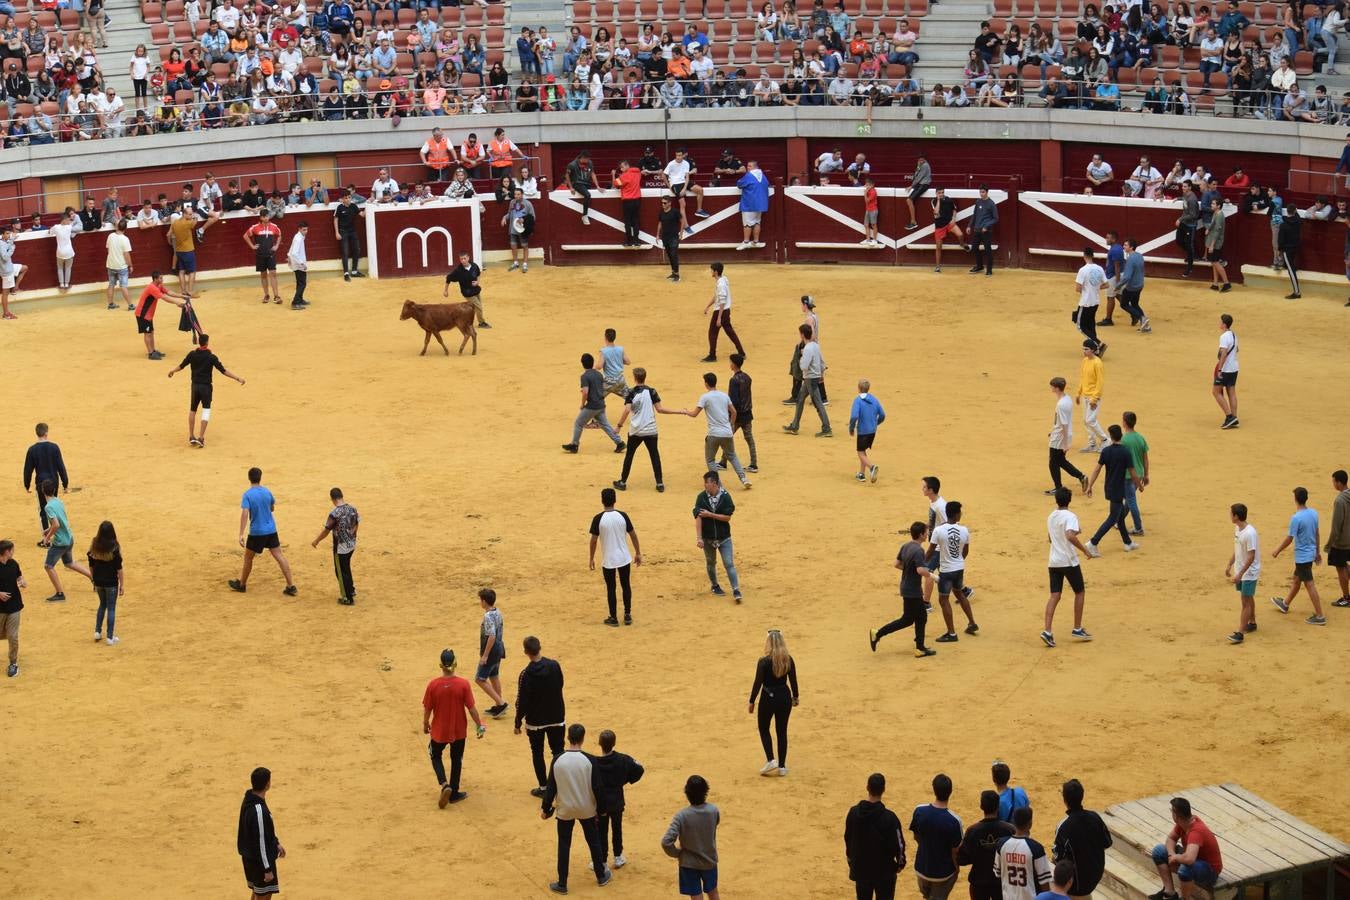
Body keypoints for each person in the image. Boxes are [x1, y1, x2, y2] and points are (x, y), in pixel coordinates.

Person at [542, 723, 613, 893]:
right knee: (594, 842)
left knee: (564, 845)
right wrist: (602, 809)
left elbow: (551, 787)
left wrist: (545, 809)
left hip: (565, 809)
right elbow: (598, 788)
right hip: (586, 808)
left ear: (568, 738)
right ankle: (601, 876)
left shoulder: (558, 759)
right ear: (583, 739)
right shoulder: (590, 760)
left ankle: (562, 883)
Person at [422, 648, 487, 808]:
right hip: (459, 731)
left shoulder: (433, 685)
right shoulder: (463, 684)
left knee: (435, 755)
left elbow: (428, 708)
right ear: (455, 663)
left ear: (441, 665)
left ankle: (445, 784)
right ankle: (455, 792)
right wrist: (480, 726)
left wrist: (425, 724)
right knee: (456, 759)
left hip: (439, 731)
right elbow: (471, 709)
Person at [870, 522, 937, 658]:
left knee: (914, 618)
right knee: (915, 618)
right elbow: (920, 570)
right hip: (913, 589)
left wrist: (909, 570)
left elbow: (896, 564)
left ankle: (919, 646)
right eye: (926, 532)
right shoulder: (918, 550)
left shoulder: (906, 546)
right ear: (921, 535)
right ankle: (879, 633)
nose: (927, 534)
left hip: (906, 586)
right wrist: (933, 576)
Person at [167, 333, 245, 448]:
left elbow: (182, 365)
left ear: (199, 342)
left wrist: (173, 371)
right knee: (206, 410)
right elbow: (223, 371)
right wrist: (237, 378)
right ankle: (201, 437)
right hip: (206, 388)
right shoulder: (211, 357)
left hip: (195, 386)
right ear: (207, 343)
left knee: (193, 410)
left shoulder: (192, 354)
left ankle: (191, 435)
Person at [228, 467, 297, 596]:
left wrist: (241, 533)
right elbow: (272, 508)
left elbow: (244, 513)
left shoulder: (247, 495)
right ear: (260, 478)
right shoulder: (267, 492)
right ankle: (290, 585)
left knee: (248, 558)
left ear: (249, 478)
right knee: (279, 556)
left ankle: (242, 584)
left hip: (256, 532)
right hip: (271, 530)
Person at [1042, 486, 1094, 649]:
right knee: (1080, 592)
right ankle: (1077, 628)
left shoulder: (1051, 516)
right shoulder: (1071, 516)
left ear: (1056, 500)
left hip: (1054, 561)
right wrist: (1085, 549)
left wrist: (1073, 533)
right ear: (1069, 500)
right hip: (1069, 561)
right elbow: (1070, 535)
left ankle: (1047, 631)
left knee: (1054, 596)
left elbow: (1052, 538)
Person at [514, 635, 566, 798]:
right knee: (558, 751)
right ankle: (560, 785)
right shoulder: (554, 666)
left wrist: (517, 722)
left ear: (525, 652)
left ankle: (544, 787)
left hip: (535, 721)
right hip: (556, 716)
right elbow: (560, 684)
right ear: (540, 648)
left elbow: (522, 702)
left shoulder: (526, 674)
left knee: (537, 752)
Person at [614, 367, 681, 492]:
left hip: (636, 430)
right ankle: (659, 483)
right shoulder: (652, 391)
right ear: (645, 377)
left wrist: (618, 426)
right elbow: (660, 409)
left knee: (629, 456)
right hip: (651, 429)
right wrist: (679, 411)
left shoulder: (631, 392)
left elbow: (627, 410)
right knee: (654, 455)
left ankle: (622, 482)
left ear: (635, 378)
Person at [846, 773, 907, 900]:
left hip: (861, 868)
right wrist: (900, 864)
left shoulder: (853, 813)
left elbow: (848, 838)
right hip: (884, 871)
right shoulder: (890, 818)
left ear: (867, 787)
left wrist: (851, 859)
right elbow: (899, 844)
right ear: (883, 790)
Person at [1271, 486, 1327, 624]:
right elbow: (1317, 533)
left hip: (1302, 557)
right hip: (1310, 553)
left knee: (1309, 584)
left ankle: (1320, 616)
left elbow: (1290, 539)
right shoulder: (1313, 513)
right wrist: (1317, 552)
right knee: (1297, 579)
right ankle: (1285, 603)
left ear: (1295, 499)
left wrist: (1277, 550)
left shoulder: (1296, 518)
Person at [1084, 425, 1143, 555]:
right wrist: (1139, 485)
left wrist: (1090, 486)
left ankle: (1128, 543)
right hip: (1118, 490)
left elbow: (1097, 469)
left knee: (1120, 516)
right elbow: (1133, 473)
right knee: (1113, 518)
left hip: (1109, 488)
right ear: (1120, 435)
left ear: (1111, 437)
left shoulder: (1106, 451)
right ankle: (1092, 543)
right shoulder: (1125, 452)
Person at [1148, 797, 1224, 900]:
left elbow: (1189, 859)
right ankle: (1169, 892)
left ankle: (1185, 898)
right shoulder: (1183, 823)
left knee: (1185, 868)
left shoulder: (1196, 831)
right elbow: (1171, 838)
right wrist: (1171, 854)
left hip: (1210, 870)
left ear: (1176, 815)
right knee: (1159, 850)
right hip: (1195, 859)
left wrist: (1176, 857)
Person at [592, 729, 645, 872]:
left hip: (601, 804)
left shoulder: (594, 763)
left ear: (599, 744)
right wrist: (626, 780)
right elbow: (640, 769)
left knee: (601, 831)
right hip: (617, 801)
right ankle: (618, 856)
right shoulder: (623, 759)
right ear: (614, 743)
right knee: (617, 829)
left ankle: (601, 860)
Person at [748, 629, 798, 777]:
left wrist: (752, 701)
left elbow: (757, 683)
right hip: (784, 696)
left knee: (764, 728)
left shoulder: (764, 662)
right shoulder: (788, 659)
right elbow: (794, 680)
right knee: (782, 731)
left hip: (768, 697)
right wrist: (795, 697)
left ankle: (771, 759)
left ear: (768, 643)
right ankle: (782, 766)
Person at [662, 775, 721, 900]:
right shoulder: (713, 811)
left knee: (696, 896)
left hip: (689, 864)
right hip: (709, 860)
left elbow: (666, 842)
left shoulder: (681, 816)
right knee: (713, 892)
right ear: (706, 792)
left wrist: (678, 853)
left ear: (687, 793)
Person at [589, 488, 641, 626]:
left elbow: (593, 540)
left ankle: (613, 617)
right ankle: (627, 614)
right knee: (626, 585)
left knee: (611, 588)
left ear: (602, 501)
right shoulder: (623, 515)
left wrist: (591, 558)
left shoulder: (598, 519)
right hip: (624, 557)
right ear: (615, 500)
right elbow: (633, 535)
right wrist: (638, 552)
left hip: (609, 559)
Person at [1052, 779, 1113, 898]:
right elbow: (1107, 843)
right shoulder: (1095, 817)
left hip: (1076, 886)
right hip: (1095, 877)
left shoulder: (1064, 827)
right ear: (1082, 796)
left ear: (1065, 800)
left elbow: (1058, 857)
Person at [690, 372, 751, 488]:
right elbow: (734, 412)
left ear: (706, 384)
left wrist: (685, 412)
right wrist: (731, 425)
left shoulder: (705, 397)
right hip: (727, 432)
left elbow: (694, 414)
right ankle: (743, 478)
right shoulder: (724, 396)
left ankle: (718, 485)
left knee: (710, 460)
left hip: (714, 434)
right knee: (732, 456)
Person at [930, 500, 978, 643]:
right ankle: (972, 623)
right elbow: (966, 551)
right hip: (959, 568)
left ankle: (951, 633)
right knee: (960, 594)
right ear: (956, 515)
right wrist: (958, 560)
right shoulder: (964, 530)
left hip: (946, 571)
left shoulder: (938, 530)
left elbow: (931, 551)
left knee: (943, 600)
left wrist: (923, 564)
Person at [909, 773, 963, 900]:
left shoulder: (919, 811)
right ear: (950, 792)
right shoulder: (954, 820)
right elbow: (955, 851)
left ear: (934, 789)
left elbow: (916, 836)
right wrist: (956, 869)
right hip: (943, 874)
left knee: (926, 896)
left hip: (922, 869)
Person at [39, 480, 92, 603]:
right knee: (69, 562)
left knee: (48, 566)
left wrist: (47, 538)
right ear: (54, 490)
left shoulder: (48, 507)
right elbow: (60, 521)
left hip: (60, 542)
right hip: (69, 538)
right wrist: (48, 530)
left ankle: (60, 593)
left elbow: (56, 524)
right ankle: (93, 578)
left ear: (43, 491)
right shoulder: (58, 501)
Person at [562, 353, 626, 454]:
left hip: (592, 406)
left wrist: (583, 404)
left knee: (578, 423)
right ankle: (619, 442)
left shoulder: (584, 376)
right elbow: (598, 388)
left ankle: (574, 445)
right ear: (592, 363)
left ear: (582, 364)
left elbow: (585, 392)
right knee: (605, 424)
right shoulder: (599, 374)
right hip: (601, 404)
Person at [238, 767, 286, 898]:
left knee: (257, 893)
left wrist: (275, 843)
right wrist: (267, 869)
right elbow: (261, 842)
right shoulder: (258, 809)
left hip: (251, 858)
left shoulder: (249, 799)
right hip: (259, 862)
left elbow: (262, 832)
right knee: (264, 896)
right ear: (267, 784)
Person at [695, 470, 742, 602]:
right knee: (711, 563)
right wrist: (699, 538)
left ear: (714, 483)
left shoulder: (726, 497)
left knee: (729, 563)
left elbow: (727, 518)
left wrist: (711, 515)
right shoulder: (701, 497)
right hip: (707, 538)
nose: (704, 486)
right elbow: (698, 517)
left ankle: (736, 589)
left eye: (706, 483)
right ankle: (715, 585)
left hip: (724, 537)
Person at [959, 790, 1015, 900]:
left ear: (981, 806)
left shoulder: (972, 831)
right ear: (998, 806)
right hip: (1001, 882)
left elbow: (962, 859)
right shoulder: (1009, 830)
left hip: (979, 881)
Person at [311, 487, 359, 605]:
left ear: (332, 499)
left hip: (341, 548)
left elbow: (326, 531)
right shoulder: (352, 508)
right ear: (342, 496)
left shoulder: (334, 514)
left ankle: (347, 598)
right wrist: (351, 535)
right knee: (346, 567)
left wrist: (316, 541)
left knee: (341, 572)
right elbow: (357, 523)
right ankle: (351, 590)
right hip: (351, 544)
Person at [784, 323, 831, 437]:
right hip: (812, 378)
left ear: (803, 335)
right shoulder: (815, 345)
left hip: (810, 378)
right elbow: (822, 362)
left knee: (818, 403)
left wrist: (802, 356)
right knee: (800, 399)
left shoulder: (807, 349)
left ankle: (826, 428)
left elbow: (803, 366)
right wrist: (821, 374)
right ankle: (795, 426)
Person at [995, 806, 1052, 900]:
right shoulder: (1036, 848)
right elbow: (1044, 884)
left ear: (1013, 823)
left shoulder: (1001, 844)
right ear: (1030, 824)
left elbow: (998, 874)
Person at [23, 423, 69, 539]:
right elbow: (61, 467)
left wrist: (27, 484)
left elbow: (28, 470)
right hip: (53, 482)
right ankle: (55, 534)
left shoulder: (32, 450)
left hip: (41, 483)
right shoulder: (54, 447)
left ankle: (46, 538)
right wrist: (65, 483)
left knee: (43, 511)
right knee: (52, 506)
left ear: (36, 433)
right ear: (46, 433)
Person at [1046, 377, 1089, 495]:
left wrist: (1065, 443)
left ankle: (1058, 487)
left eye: (1052, 387)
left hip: (1060, 437)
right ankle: (1081, 477)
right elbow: (1061, 422)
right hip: (1061, 433)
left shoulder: (1061, 404)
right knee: (1060, 461)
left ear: (1057, 388)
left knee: (1053, 462)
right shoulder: (1067, 399)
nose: (1051, 388)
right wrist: (1053, 431)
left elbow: (1064, 424)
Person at [134, 271, 190, 361]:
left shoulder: (159, 286)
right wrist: (177, 303)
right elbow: (164, 297)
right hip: (142, 314)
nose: (162, 279)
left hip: (148, 314)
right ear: (155, 279)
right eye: (160, 278)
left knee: (151, 332)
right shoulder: (152, 288)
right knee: (147, 333)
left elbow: (169, 292)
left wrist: (181, 296)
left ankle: (153, 350)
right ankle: (150, 353)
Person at [1225, 503, 1261, 643]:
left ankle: (1240, 633)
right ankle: (1252, 622)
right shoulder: (1238, 529)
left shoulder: (1250, 533)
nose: (1230, 516)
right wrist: (1230, 564)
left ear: (1236, 516)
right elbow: (1237, 548)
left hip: (1249, 572)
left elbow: (1251, 556)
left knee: (1245, 601)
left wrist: (1240, 574)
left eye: (1231, 514)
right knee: (1247, 597)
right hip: (1241, 570)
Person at [86, 520, 124, 646]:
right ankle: (109, 637)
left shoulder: (94, 544)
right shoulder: (114, 547)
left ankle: (97, 631)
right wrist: (122, 585)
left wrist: (93, 579)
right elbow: (119, 568)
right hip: (111, 582)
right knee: (111, 608)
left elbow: (91, 564)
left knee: (102, 605)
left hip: (98, 581)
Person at [720, 354, 759, 474]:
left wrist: (729, 416)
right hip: (747, 414)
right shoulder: (747, 377)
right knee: (749, 439)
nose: (729, 364)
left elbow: (734, 401)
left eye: (730, 362)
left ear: (734, 364)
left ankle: (723, 462)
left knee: (727, 437)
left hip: (737, 416)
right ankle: (754, 464)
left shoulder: (733, 380)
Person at [474, 587, 510, 716]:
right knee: (494, 676)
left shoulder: (488, 616)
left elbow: (492, 636)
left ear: (484, 601)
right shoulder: (497, 612)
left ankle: (501, 703)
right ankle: (499, 706)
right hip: (499, 649)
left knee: (479, 679)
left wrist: (485, 655)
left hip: (492, 651)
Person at [702, 262, 746, 363]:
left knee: (712, 333)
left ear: (716, 272)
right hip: (726, 310)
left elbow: (722, 300)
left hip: (720, 311)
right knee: (730, 332)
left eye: (712, 270)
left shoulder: (721, 283)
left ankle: (712, 355)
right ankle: (741, 352)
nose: (711, 272)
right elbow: (717, 296)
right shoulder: (723, 279)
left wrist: (719, 318)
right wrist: (708, 306)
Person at [0, 540, 28, 677]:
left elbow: (19, 576)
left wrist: (22, 581)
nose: (13, 552)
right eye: (12, 550)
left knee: (13, 636)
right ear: (6, 552)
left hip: (14, 606)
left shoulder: (13, 564)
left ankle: (13, 663)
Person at [849, 379, 885, 483]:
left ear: (859, 388)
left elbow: (854, 416)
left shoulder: (858, 400)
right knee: (863, 451)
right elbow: (882, 415)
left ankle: (872, 467)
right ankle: (861, 474)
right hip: (872, 431)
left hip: (863, 431)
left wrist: (851, 428)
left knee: (860, 452)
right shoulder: (874, 399)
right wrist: (876, 423)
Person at [443, 251, 491, 329]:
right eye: (461, 259)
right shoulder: (458, 271)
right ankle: (481, 323)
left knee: (476, 307)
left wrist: (477, 282)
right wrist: (445, 290)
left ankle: (466, 320)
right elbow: (448, 278)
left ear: (468, 258)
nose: (463, 261)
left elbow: (478, 274)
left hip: (476, 290)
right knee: (479, 307)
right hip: (468, 293)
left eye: (464, 258)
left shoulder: (474, 266)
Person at [1073, 250, 1107, 357]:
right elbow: (1106, 285)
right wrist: (1095, 288)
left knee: (1080, 326)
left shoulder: (1083, 270)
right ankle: (1095, 349)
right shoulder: (1099, 268)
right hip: (1095, 301)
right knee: (1090, 324)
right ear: (1093, 256)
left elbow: (1078, 288)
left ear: (1084, 256)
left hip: (1085, 302)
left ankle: (1098, 344)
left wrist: (1088, 289)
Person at [244, 210, 283, 305]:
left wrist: (277, 245)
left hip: (270, 253)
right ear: (261, 217)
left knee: (273, 273)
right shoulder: (255, 227)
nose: (266, 218)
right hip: (260, 254)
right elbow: (245, 236)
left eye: (267, 216)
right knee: (263, 275)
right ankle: (266, 295)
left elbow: (279, 235)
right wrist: (252, 246)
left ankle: (276, 296)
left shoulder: (274, 227)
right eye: (264, 216)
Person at [1075, 341, 1107, 454]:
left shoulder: (1098, 363)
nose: (1084, 351)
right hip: (1085, 396)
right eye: (1083, 349)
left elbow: (1100, 382)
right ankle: (1092, 444)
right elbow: (1083, 378)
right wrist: (1079, 393)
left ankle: (1105, 440)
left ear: (1093, 350)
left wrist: (1095, 398)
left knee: (1090, 420)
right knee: (1086, 421)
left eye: (1086, 349)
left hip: (1094, 397)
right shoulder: (1084, 361)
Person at [1212, 314, 1240, 429]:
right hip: (1234, 368)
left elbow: (1223, 353)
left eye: (1220, 322)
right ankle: (1234, 417)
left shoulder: (1224, 337)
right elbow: (1237, 349)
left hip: (1226, 369)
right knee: (1231, 392)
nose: (1219, 323)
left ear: (1224, 324)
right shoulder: (1234, 335)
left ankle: (1229, 417)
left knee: (1216, 392)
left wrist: (1220, 369)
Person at [736, 159, 770, 249]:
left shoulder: (749, 175)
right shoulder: (763, 176)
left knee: (747, 224)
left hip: (749, 203)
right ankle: (756, 241)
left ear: (755, 167)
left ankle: (746, 242)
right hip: (761, 204)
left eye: (749, 166)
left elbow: (739, 184)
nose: (747, 168)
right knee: (757, 222)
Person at [1119, 238, 1150, 333]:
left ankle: (1142, 318)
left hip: (1131, 287)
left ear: (1131, 247)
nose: (1123, 246)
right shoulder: (1139, 256)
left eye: (1125, 245)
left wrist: (1118, 286)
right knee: (1135, 304)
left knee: (1123, 304)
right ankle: (1146, 326)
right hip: (1140, 285)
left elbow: (1126, 277)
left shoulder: (1130, 259)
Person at [1329, 470, 1350, 608]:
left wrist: (1330, 543)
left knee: (1340, 568)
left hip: (1341, 542)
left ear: (1339, 482)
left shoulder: (1340, 500)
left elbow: (1336, 525)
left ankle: (1346, 598)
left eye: (1334, 481)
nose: (1333, 484)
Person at [930, 187, 964, 272]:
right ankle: (937, 267)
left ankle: (962, 244)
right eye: (939, 193)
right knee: (938, 247)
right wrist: (938, 200)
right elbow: (936, 212)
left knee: (960, 235)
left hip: (949, 223)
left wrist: (953, 219)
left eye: (942, 192)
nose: (941, 194)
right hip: (939, 226)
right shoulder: (933, 201)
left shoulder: (948, 199)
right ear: (936, 193)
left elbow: (954, 210)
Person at [612, 159, 644, 247]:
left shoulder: (623, 176)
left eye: (622, 167)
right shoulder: (638, 173)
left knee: (628, 222)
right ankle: (637, 240)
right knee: (636, 220)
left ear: (627, 166)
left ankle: (629, 241)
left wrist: (613, 175)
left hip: (627, 201)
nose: (621, 169)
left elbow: (615, 184)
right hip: (637, 200)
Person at [333, 191, 364, 280]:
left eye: (349, 197)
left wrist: (369, 207)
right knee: (345, 252)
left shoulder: (354, 206)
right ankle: (346, 273)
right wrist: (337, 232)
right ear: (342, 199)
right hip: (343, 231)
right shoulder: (339, 207)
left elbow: (362, 215)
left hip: (352, 231)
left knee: (357, 250)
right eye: (346, 198)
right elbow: (335, 220)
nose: (348, 199)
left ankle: (354, 271)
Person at [968, 185, 998, 276]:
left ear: (987, 192)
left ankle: (989, 270)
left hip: (986, 231)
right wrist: (969, 226)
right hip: (977, 230)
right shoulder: (978, 202)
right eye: (980, 192)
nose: (981, 194)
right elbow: (974, 215)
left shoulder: (991, 204)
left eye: (983, 192)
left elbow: (995, 218)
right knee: (974, 248)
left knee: (987, 250)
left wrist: (986, 226)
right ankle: (980, 266)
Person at [566, 151, 600, 225]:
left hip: (587, 183)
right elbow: (567, 176)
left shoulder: (590, 163)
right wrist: (571, 187)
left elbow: (593, 174)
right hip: (577, 183)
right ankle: (584, 215)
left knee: (588, 196)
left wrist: (597, 186)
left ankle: (587, 213)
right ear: (583, 158)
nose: (588, 161)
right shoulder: (572, 165)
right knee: (587, 195)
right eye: (587, 159)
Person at [1204, 198, 1231, 292]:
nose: (1211, 205)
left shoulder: (1219, 215)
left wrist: (1212, 245)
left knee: (1215, 262)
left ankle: (1226, 283)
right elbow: (1213, 225)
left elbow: (1217, 231)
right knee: (1214, 262)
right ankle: (1215, 284)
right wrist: (1208, 229)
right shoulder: (1216, 213)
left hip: (1216, 242)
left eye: (1213, 204)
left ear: (1218, 206)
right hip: (1214, 240)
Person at [599, 328, 630, 407]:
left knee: (596, 398)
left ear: (605, 337)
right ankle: (639, 414)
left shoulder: (603, 351)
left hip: (608, 382)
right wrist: (617, 360)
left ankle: (595, 418)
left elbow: (599, 366)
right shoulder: (620, 349)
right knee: (630, 398)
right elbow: (628, 362)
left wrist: (592, 367)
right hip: (620, 380)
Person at [1278, 202, 1302, 299]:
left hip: (1287, 250)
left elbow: (1281, 240)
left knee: (1291, 270)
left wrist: (1280, 250)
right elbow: (1297, 216)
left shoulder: (1283, 225)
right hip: (1295, 247)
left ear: (1287, 211)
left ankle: (1297, 292)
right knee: (1291, 267)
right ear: (1295, 211)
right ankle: (1296, 291)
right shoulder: (1298, 221)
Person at [286, 221, 309, 309]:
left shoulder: (298, 236)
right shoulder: (298, 238)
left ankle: (300, 299)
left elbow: (291, 249)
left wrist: (288, 256)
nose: (306, 231)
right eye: (304, 230)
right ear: (299, 229)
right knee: (302, 283)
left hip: (297, 263)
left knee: (300, 283)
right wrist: (302, 263)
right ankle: (295, 302)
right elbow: (295, 253)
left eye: (306, 229)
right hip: (298, 264)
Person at [659, 195, 683, 281]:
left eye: (665, 203)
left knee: (673, 255)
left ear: (669, 203)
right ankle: (673, 272)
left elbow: (682, 221)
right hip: (665, 237)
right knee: (670, 255)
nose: (663, 204)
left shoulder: (675, 212)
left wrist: (681, 233)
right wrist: (657, 234)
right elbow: (660, 223)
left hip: (674, 237)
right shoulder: (661, 212)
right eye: (662, 203)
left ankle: (677, 275)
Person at [905, 155, 931, 230]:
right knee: (909, 200)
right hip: (920, 184)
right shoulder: (920, 165)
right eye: (919, 160)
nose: (920, 161)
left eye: (922, 160)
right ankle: (913, 222)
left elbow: (918, 177)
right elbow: (916, 176)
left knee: (909, 200)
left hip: (923, 184)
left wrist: (911, 186)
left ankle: (913, 222)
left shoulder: (925, 166)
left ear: (924, 160)